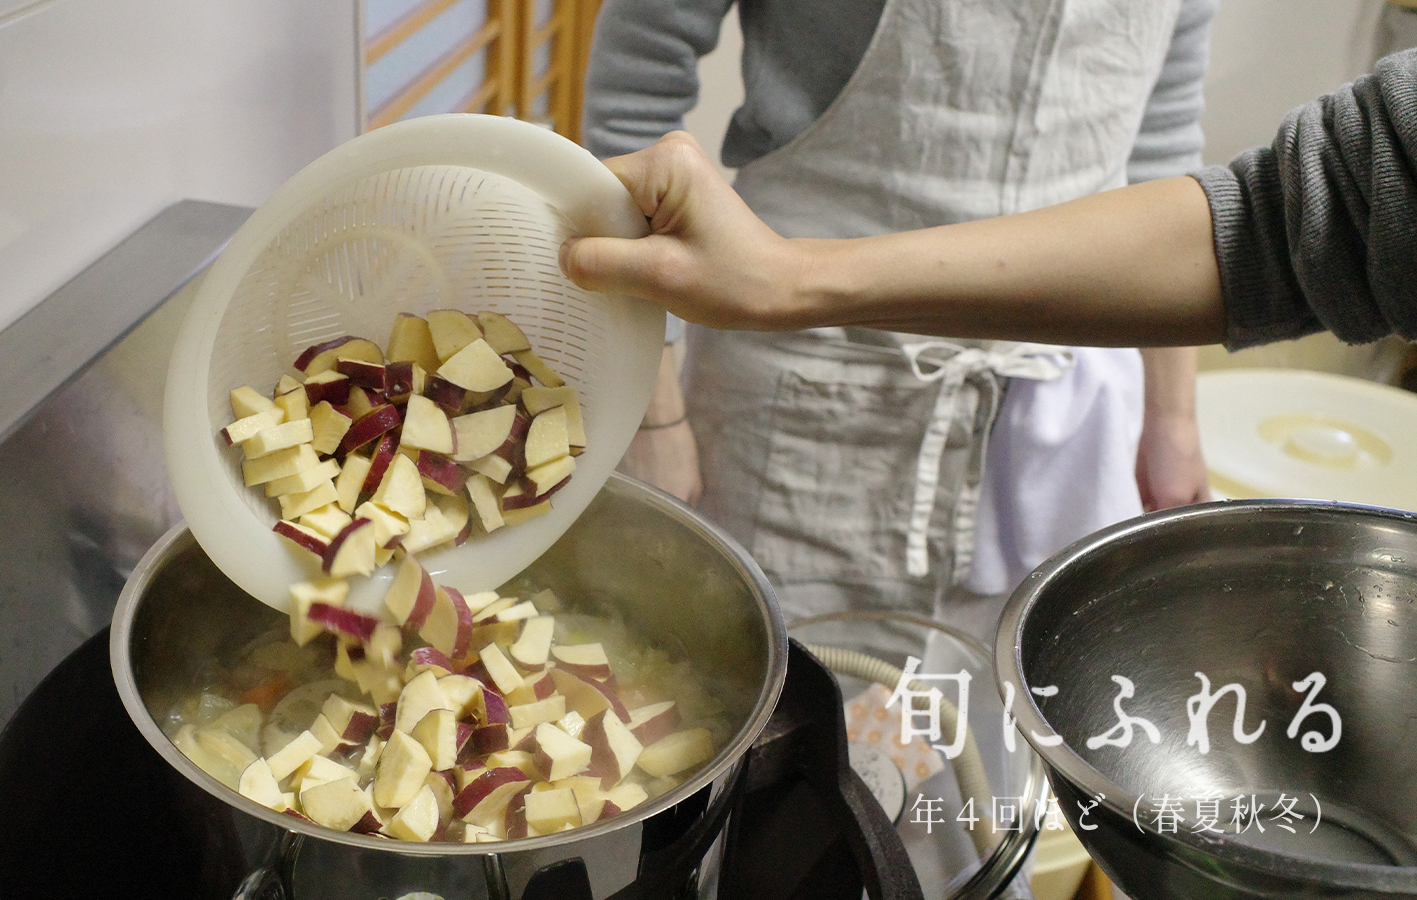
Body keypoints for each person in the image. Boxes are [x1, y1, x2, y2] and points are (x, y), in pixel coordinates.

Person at [581, 0, 1216, 645]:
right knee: (782, 698)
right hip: (806, 390)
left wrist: (1173, 413)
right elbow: (635, 94)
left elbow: (1162, 145)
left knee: (1009, 703)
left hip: (1066, 394)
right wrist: (651, 411)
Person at [560, 49, 1417, 359]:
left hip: (1083, 361)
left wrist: (1169, 415)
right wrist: (656, 398)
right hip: (809, 373)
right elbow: (1296, 218)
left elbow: (1180, 148)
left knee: (986, 724)